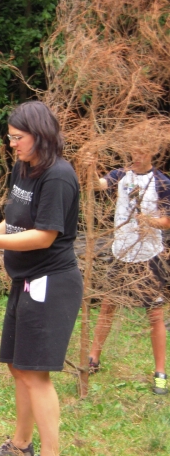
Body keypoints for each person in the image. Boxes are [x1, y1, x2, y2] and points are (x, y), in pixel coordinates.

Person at [0, 101, 82, 456]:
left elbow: (44, 236)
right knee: (18, 366)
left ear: (39, 136)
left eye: (17, 138)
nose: (11, 144)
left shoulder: (58, 176)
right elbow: (14, 220)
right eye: (10, 137)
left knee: (35, 373)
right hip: (25, 280)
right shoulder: (23, 167)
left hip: (51, 283)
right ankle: (21, 445)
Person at [86, 145, 170, 394]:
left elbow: (167, 221)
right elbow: (97, 185)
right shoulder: (121, 175)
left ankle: (160, 373)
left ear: (152, 153)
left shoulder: (162, 182)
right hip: (120, 253)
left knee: (155, 314)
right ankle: (93, 359)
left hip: (148, 256)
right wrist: (91, 166)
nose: (137, 156)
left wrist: (148, 221)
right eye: (134, 152)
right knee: (107, 306)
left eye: (142, 152)